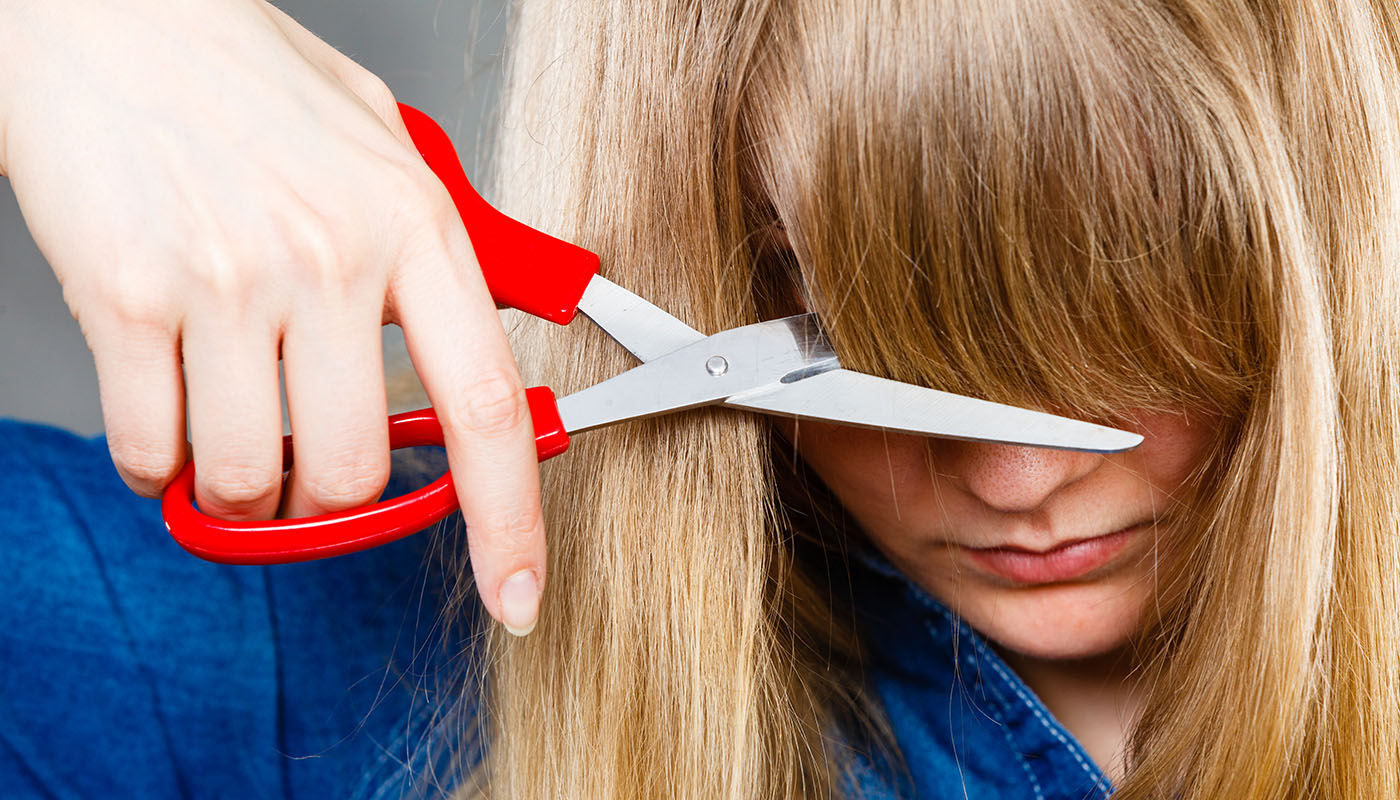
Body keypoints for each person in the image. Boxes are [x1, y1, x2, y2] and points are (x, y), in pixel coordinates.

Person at [2, 1, 1397, 799]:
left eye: (1121, 301)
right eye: (844, 323)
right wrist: (80, 35)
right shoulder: (333, 663)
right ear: (718, 255)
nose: (1014, 478)